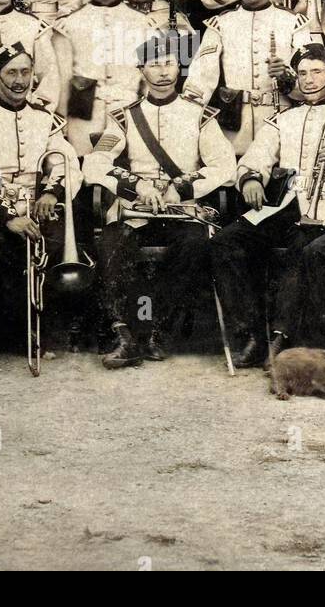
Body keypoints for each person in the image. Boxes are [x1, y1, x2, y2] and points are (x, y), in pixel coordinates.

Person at [209, 45, 325, 367]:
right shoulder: (283, 119)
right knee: (226, 242)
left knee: (301, 250)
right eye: (302, 73)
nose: (309, 80)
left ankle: (281, 337)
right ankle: (250, 333)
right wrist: (252, 179)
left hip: (324, 209)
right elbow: (257, 156)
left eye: (317, 73)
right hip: (283, 207)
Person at [84, 29, 237, 367]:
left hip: (181, 211)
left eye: (169, 64)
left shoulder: (200, 115)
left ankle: (159, 330)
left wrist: (180, 186)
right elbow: (94, 163)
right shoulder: (124, 117)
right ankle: (124, 333)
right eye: (154, 65)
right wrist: (137, 187)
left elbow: (224, 165)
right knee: (112, 241)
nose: (164, 72)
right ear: (141, 70)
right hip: (137, 211)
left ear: (179, 68)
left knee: (195, 245)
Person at [0, 44, 82, 352]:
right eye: (11, 73)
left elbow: (68, 163)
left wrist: (52, 191)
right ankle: (13, 333)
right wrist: (7, 218)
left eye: (25, 72)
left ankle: (50, 328)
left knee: (57, 245)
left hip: (38, 207)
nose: (19, 80)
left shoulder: (45, 119)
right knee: (6, 255)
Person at [184, 0, 316, 155]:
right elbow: (200, 80)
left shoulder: (293, 23)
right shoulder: (220, 24)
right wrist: (187, 122)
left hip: (280, 123)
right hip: (234, 129)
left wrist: (286, 77)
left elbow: (312, 85)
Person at [53, 0, 155, 155]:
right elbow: (61, 81)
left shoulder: (141, 23)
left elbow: (149, 79)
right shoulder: (70, 24)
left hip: (129, 115)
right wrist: (62, 126)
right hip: (82, 119)